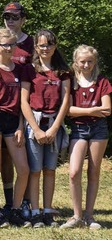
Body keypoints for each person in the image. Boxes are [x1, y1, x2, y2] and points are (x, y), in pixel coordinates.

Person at [0, 28, 34, 228]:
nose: (10, 48)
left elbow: (23, 102)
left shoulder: (20, 69)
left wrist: (21, 126)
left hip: (14, 122)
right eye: (5, 45)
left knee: (23, 169)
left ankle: (14, 209)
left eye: (12, 44)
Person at [20, 29, 70, 228]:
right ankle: (34, 211)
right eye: (41, 44)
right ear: (36, 47)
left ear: (55, 46)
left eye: (49, 44)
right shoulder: (29, 70)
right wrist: (37, 129)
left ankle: (47, 210)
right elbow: (24, 101)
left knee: (50, 169)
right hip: (35, 123)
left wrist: (54, 128)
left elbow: (66, 100)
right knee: (35, 170)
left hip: (53, 123)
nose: (45, 48)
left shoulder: (62, 70)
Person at [60, 45, 111, 230]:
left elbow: (106, 110)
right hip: (79, 129)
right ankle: (76, 216)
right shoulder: (70, 81)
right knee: (74, 172)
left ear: (95, 62)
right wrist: (92, 110)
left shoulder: (102, 81)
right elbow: (68, 111)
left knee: (93, 172)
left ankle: (89, 216)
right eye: (82, 61)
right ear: (76, 62)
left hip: (99, 130)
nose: (86, 64)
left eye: (90, 61)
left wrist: (84, 111)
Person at [0, 2, 34, 66]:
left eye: (15, 17)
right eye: (7, 17)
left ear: (23, 20)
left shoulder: (31, 43)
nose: (10, 20)